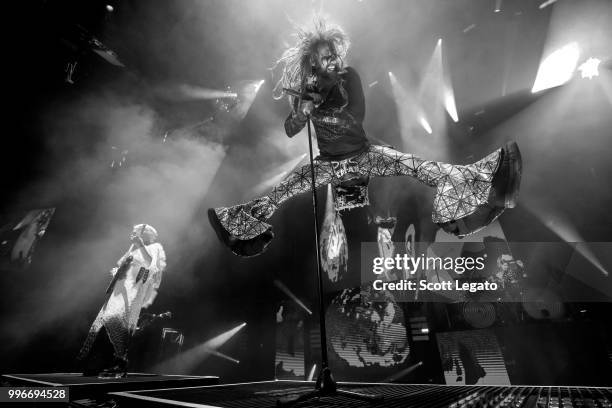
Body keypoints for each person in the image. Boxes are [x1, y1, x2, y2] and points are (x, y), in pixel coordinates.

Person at [208, 19, 522, 257]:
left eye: (333, 52)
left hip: (363, 155)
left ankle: (487, 183)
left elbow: (355, 113)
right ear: (313, 62)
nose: (331, 58)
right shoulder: (308, 88)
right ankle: (240, 227)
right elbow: (290, 129)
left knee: (421, 167)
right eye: (324, 56)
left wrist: (320, 109)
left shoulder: (349, 77)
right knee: (281, 191)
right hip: (329, 165)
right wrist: (302, 112)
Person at [77, 224, 166, 378]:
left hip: (134, 289)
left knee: (119, 322)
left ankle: (119, 362)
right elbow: (121, 265)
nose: (133, 235)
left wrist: (141, 245)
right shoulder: (133, 248)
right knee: (106, 320)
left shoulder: (155, 247)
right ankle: (100, 362)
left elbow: (151, 265)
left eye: (136, 232)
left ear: (145, 234)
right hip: (121, 288)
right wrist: (118, 271)